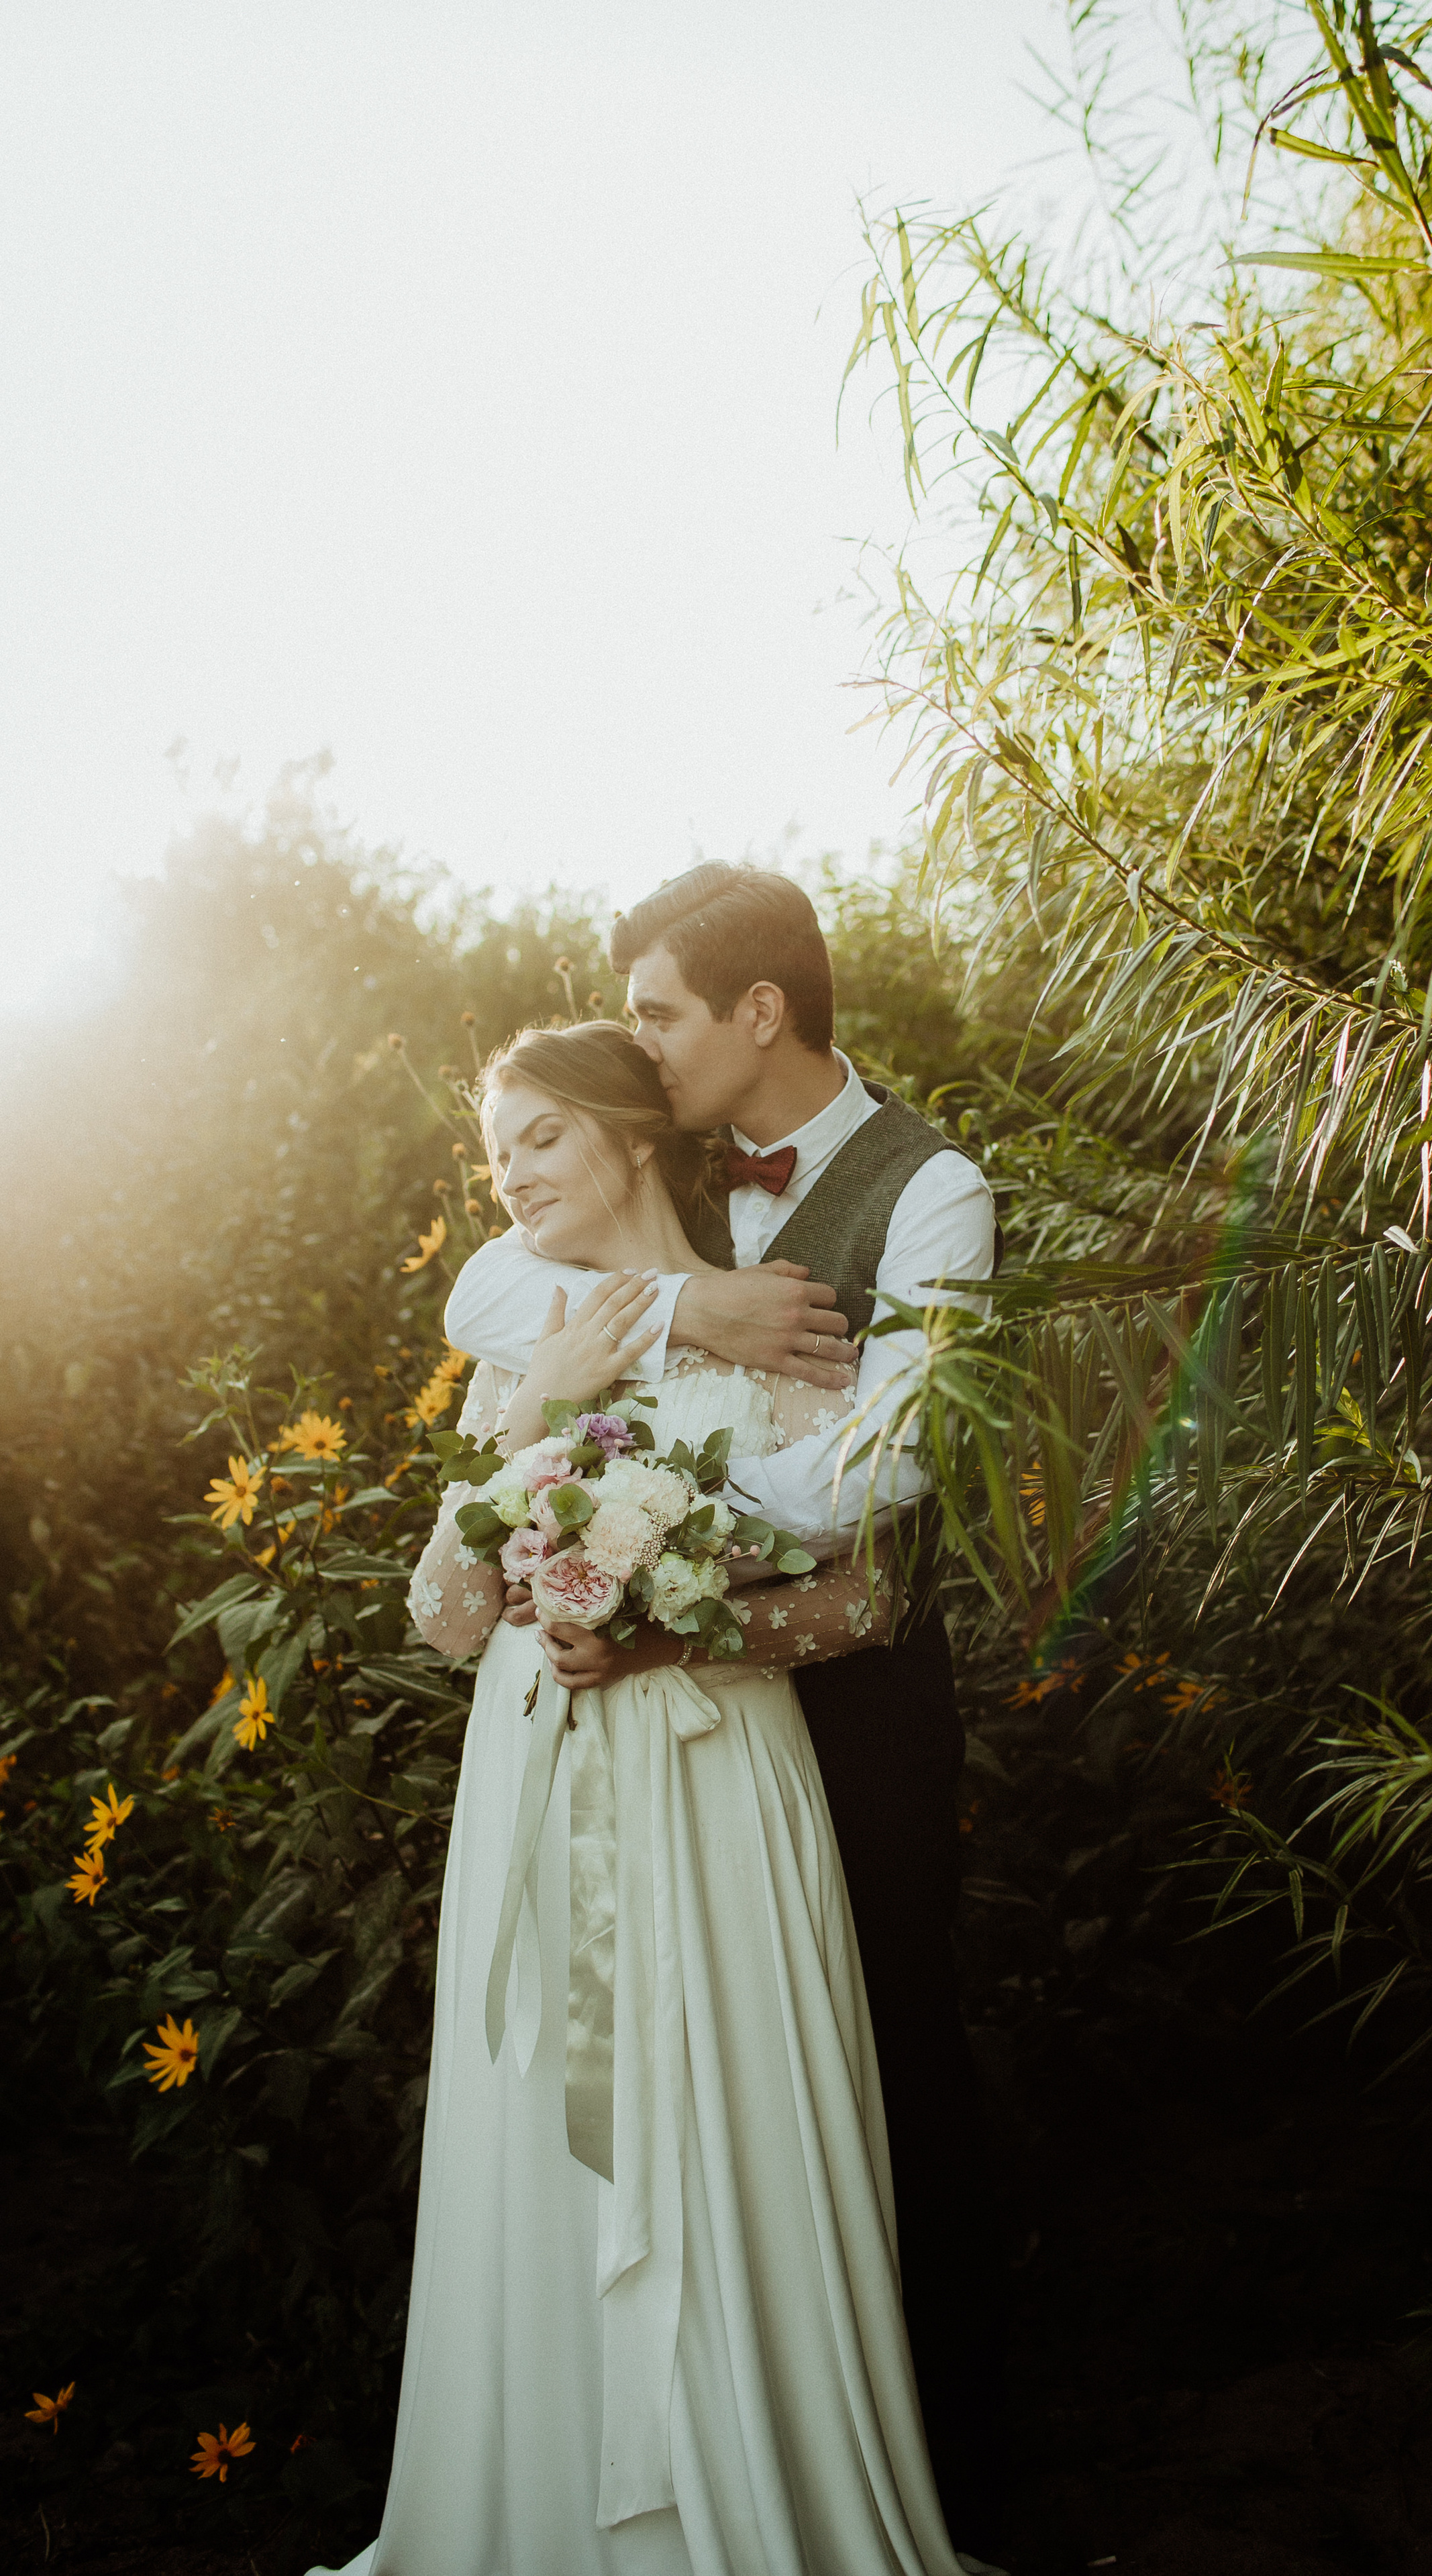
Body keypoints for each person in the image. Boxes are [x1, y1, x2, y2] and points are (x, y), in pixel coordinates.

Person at [312, 1020, 990, 2576]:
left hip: (718, 1780)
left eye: (539, 1137)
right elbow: (443, 1616)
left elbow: (865, 1599)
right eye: (493, 1154)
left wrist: (673, 1620)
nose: (510, 1175)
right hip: (539, 1785)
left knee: (729, 2117)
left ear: (629, 1133)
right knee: (551, 2120)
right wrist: (545, 1404)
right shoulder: (522, 1339)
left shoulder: (778, 1316)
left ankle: (742, 2491)